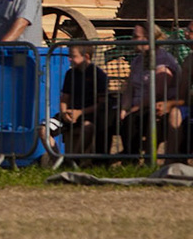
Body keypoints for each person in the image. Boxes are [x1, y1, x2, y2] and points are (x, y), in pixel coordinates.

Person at [116, 23, 180, 159]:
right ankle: (97, 159)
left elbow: (158, 93)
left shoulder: (163, 60)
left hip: (153, 105)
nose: (132, 40)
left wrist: (134, 109)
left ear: (148, 38)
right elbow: (129, 87)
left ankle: (131, 160)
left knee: (131, 120)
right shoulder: (137, 60)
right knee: (106, 117)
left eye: (136, 36)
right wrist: (124, 108)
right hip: (135, 104)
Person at [58, 43, 114, 159]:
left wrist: (79, 112)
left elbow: (101, 104)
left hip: (88, 115)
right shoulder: (70, 74)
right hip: (68, 114)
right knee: (43, 129)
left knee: (88, 128)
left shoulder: (98, 75)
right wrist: (63, 112)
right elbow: (64, 98)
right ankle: (57, 159)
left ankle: (72, 160)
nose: (69, 59)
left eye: (73, 56)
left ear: (86, 57)